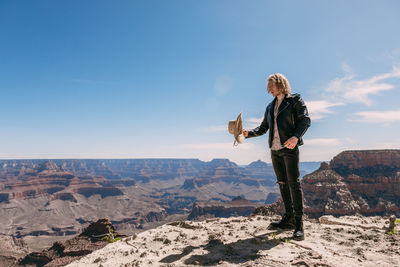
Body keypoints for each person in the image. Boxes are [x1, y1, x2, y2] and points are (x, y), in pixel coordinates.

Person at [243, 73, 311, 240]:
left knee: (294, 183)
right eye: (268, 86)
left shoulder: (294, 100)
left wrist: (296, 137)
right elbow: (263, 128)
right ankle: (288, 218)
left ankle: (299, 224)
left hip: (289, 148)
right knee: (282, 183)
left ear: (280, 84)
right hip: (275, 150)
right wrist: (247, 134)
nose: (269, 89)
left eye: (271, 85)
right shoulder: (269, 106)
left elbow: (305, 120)